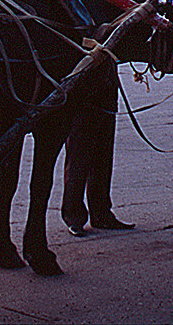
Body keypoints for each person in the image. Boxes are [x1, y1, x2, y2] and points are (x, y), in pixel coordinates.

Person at [61, 63, 133, 236]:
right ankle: (74, 216)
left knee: (103, 158)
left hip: (106, 92)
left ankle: (101, 213)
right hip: (83, 96)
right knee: (78, 159)